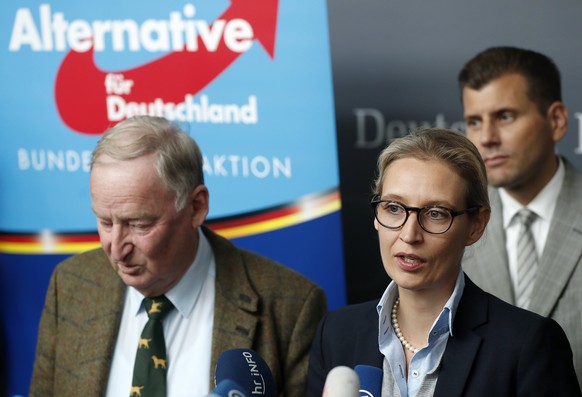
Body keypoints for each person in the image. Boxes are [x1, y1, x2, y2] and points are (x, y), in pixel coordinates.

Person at [29, 116, 327, 397]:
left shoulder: (291, 306)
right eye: (105, 222)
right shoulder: (70, 286)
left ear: (196, 207)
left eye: (139, 224)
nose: (116, 249)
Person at [307, 128, 581, 396]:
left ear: (476, 225)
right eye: (393, 208)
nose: (409, 234)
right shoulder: (336, 334)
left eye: (435, 214)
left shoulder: (528, 344)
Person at [458, 46, 582, 385]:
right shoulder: (453, 225)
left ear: (556, 121)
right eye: (474, 121)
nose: (487, 138)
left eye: (505, 116)